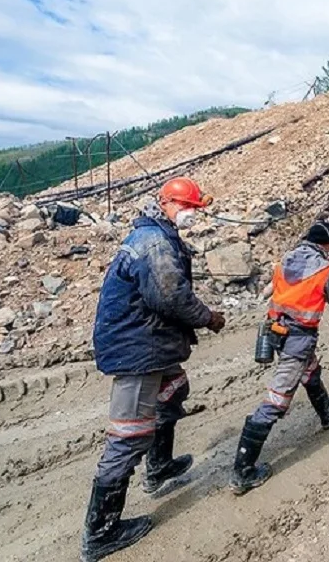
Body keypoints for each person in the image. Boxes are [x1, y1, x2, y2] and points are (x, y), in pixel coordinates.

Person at [80, 177, 226, 562]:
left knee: (174, 389)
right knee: (127, 437)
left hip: (149, 340)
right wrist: (208, 317)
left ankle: (159, 466)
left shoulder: (155, 235)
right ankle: (101, 532)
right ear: (170, 204)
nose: (197, 215)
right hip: (137, 348)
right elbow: (172, 297)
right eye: (192, 208)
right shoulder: (157, 244)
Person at [230, 221, 329, 495]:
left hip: (278, 334)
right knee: (276, 400)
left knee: (311, 372)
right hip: (298, 339)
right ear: (328, 245)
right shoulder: (324, 269)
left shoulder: (286, 259)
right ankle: (242, 471)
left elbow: (274, 291)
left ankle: (327, 413)